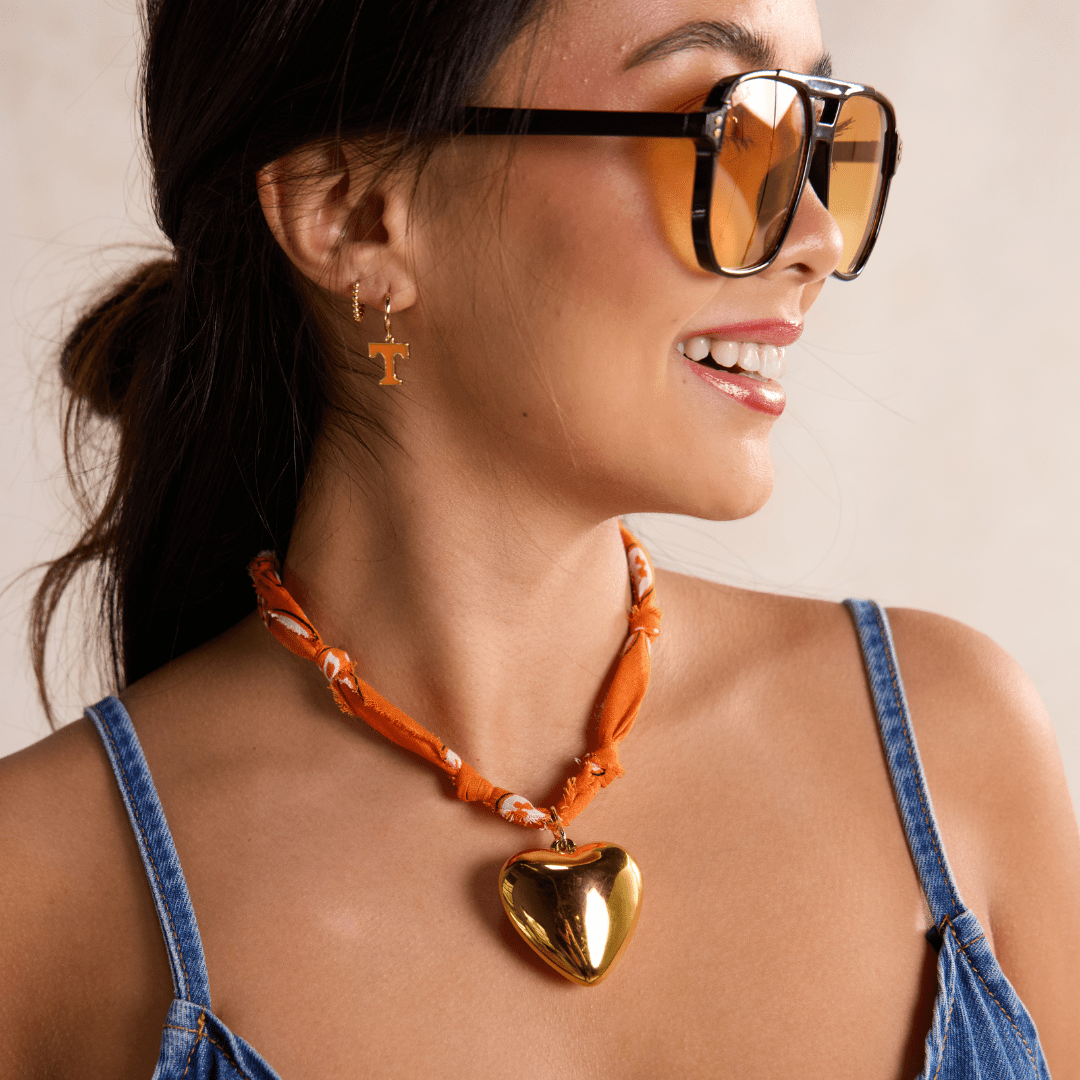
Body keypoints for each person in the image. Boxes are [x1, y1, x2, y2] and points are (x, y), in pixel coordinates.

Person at [2, 0, 1078, 1075]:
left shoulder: (952, 745)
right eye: (734, 127)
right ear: (355, 216)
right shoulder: (41, 893)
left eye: (815, 135)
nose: (816, 239)